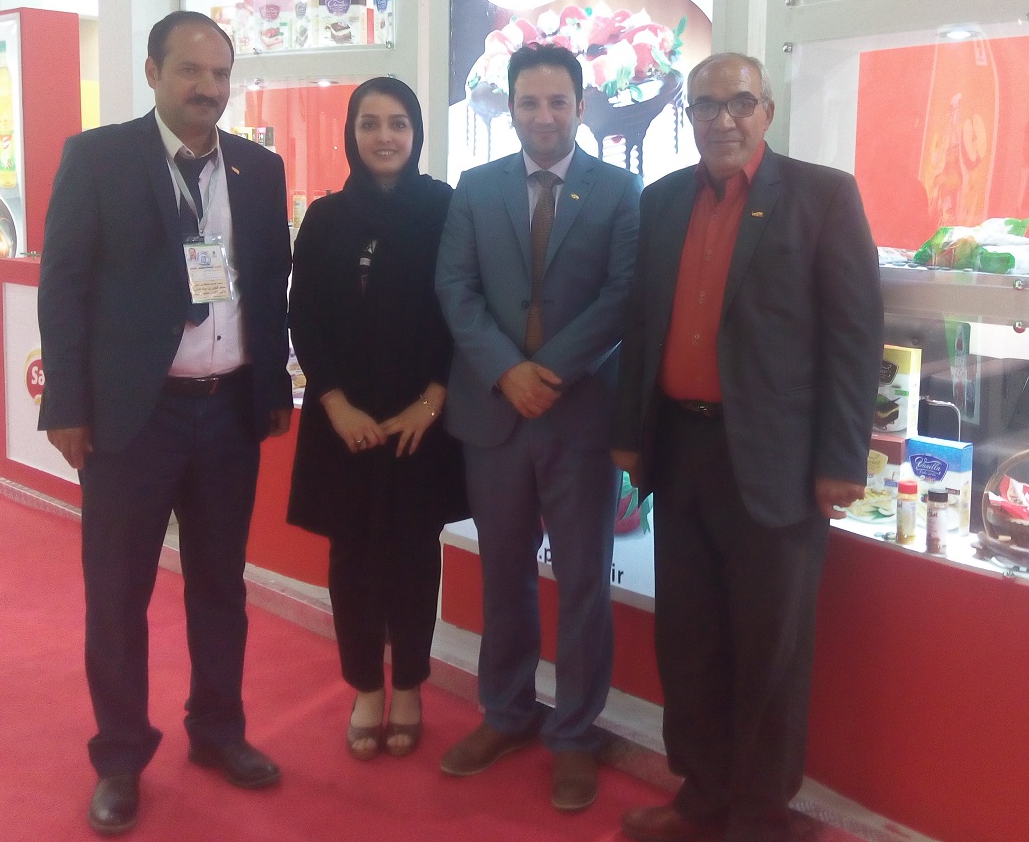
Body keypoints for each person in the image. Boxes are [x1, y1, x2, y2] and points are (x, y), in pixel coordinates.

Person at [612, 53, 883, 842]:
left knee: (770, 649)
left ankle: (757, 816)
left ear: (767, 110)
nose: (722, 119)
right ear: (687, 116)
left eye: (738, 102)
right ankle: (700, 797)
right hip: (681, 450)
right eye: (705, 105)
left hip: (778, 465)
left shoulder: (823, 196)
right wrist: (629, 433)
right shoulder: (662, 200)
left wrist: (841, 460)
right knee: (688, 638)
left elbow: (855, 337)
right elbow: (642, 323)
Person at [38, 11, 294, 836]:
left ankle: (218, 729)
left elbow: (268, 283)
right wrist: (66, 403)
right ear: (153, 71)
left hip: (227, 411)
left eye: (219, 74)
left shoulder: (258, 167)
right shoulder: (99, 158)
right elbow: (62, 284)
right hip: (132, 417)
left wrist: (272, 386)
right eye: (190, 70)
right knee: (118, 592)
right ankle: (119, 756)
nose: (207, 88)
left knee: (222, 585)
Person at [435, 42, 640, 812]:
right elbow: (454, 286)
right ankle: (506, 712)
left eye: (558, 102)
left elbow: (623, 294)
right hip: (495, 414)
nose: (544, 116)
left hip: (579, 417)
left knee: (584, 582)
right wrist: (506, 371)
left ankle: (575, 733)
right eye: (529, 102)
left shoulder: (620, 190)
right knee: (503, 573)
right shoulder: (476, 186)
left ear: (581, 106)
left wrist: (545, 372)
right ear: (510, 107)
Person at [285, 77, 467, 762]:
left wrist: (433, 397)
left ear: (416, 132)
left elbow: (463, 307)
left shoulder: (445, 209)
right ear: (351, 133)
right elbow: (304, 317)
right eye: (370, 123)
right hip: (345, 421)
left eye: (398, 123)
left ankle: (411, 685)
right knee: (353, 559)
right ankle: (366, 686)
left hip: (423, 419)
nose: (384, 136)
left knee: (415, 555)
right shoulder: (326, 218)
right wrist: (334, 403)